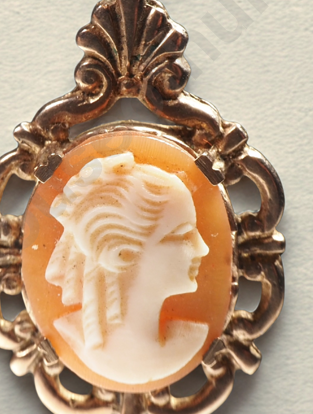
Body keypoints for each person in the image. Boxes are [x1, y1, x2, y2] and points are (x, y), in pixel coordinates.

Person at [45, 151, 210, 385]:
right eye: (183, 235)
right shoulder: (67, 335)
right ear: (122, 254)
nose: (203, 248)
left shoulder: (195, 338)